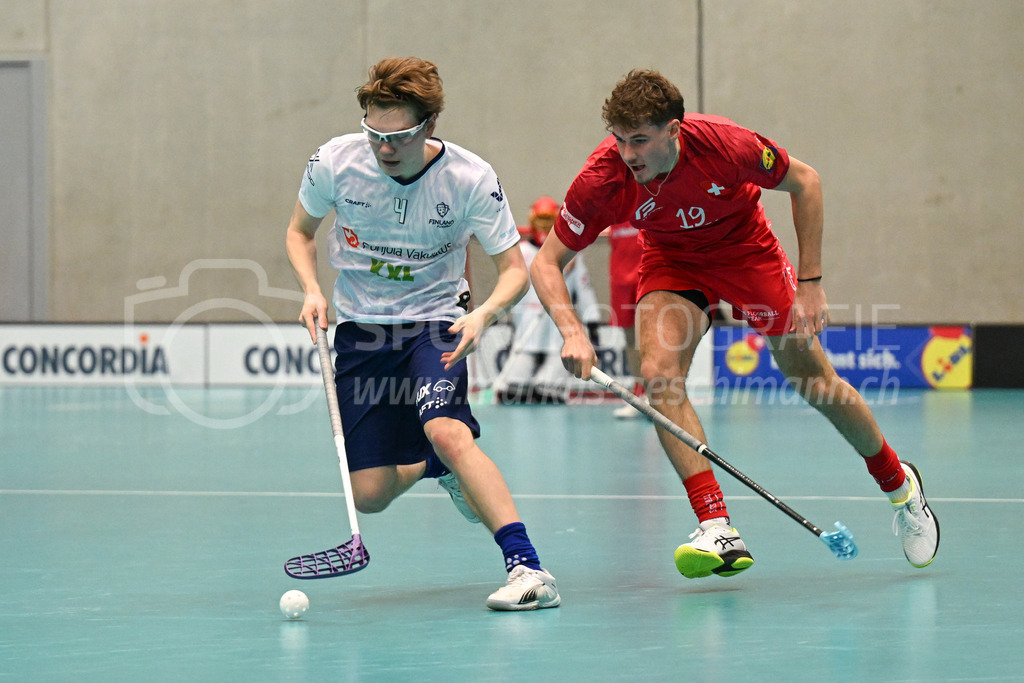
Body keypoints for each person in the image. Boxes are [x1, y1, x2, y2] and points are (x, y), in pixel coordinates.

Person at [530, 68, 938, 579]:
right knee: (659, 373)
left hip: (747, 253)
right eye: (618, 138)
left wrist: (810, 282)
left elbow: (805, 181)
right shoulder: (603, 178)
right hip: (674, 262)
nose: (627, 153)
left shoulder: (725, 145)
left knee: (815, 384)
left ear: (673, 130)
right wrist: (572, 331)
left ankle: (900, 485)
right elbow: (547, 262)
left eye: (639, 140)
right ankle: (716, 526)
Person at [285, 57, 559, 610]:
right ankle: (437, 468)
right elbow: (298, 232)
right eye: (375, 133)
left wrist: (483, 315)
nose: (385, 148)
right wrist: (312, 289)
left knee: (447, 429)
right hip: (362, 330)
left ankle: (529, 569)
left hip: (438, 321)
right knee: (370, 497)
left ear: (430, 125)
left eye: (400, 136)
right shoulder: (334, 163)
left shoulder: (470, 179)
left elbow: (514, 269)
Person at [496, 196, 601, 403]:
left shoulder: (571, 257)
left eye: (548, 220)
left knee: (549, 390)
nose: (544, 225)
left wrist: (593, 321)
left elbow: (584, 289)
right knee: (512, 388)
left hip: (557, 335)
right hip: (526, 332)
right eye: (540, 220)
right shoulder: (522, 253)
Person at [604, 221, 646, 418]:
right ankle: (640, 394)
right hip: (621, 278)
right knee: (630, 338)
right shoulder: (612, 202)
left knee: (649, 337)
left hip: (646, 275)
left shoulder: (647, 195)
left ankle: (658, 394)